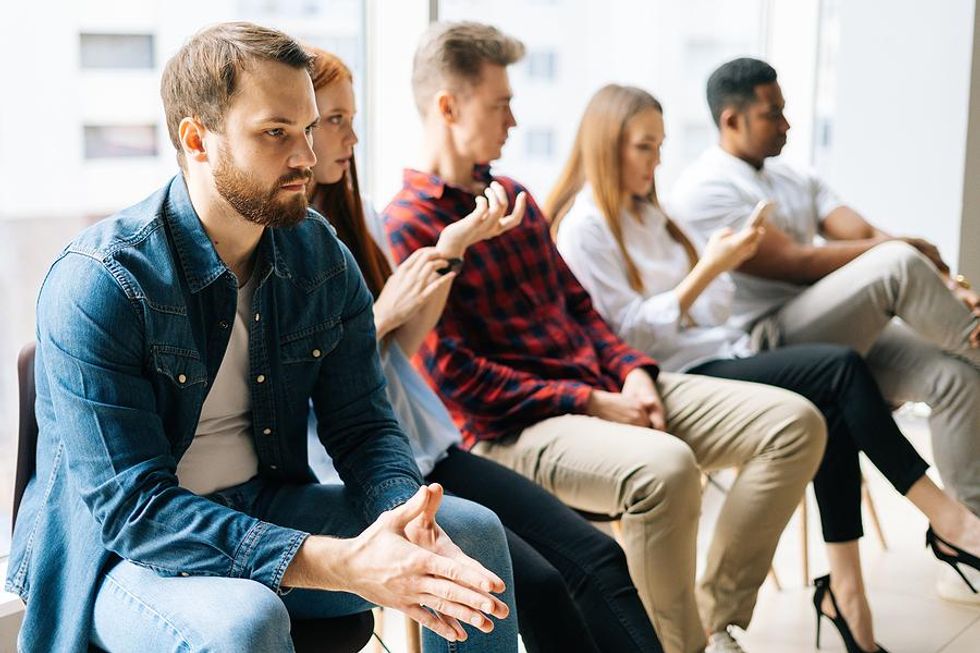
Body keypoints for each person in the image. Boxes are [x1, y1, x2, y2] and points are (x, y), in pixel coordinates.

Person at [4, 22, 517, 653]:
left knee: (471, 537)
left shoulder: (317, 255)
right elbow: (136, 511)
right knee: (246, 621)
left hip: (263, 504)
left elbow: (363, 427)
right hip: (119, 558)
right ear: (197, 139)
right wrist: (336, 562)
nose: (305, 155)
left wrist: (408, 519)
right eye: (275, 133)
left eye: (306, 130)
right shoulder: (100, 282)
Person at [383, 21, 828, 653]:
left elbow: (581, 309)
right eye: (500, 103)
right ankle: (683, 645)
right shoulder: (409, 226)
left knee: (797, 423)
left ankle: (712, 617)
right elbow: (455, 379)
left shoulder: (512, 196)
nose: (513, 120)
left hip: (602, 387)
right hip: (515, 428)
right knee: (667, 469)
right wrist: (588, 401)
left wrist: (632, 372)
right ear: (448, 107)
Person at [548, 83, 980, 653]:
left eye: (660, 146)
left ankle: (849, 596)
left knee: (830, 400)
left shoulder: (657, 213)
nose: (656, 162)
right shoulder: (587, 228)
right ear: (607, 147)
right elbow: (624, 335)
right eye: (644, 148)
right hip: (676, 373)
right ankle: (948, 524)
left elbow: (713, 308)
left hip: (721, 352)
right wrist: (705, 270)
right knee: (842, 370)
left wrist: (715, 270)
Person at [303, 46, 663, 653]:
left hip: (425, 446)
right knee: (539, 587)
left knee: (596, 555)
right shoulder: (306, 243)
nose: (352, 137)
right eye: (335, 121)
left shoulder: (357, 218)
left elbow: (401, 353)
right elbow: (324, 383)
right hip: (360, 466)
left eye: (351, 119)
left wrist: (450, 253)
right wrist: (385, 312)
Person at [667, 58, 980, 602]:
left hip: (836, 331)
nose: (786, 123)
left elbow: (858, 232)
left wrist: (948, 285)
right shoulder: (704, 188)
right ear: (731, 120)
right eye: (774, 113)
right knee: (897, 262)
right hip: (770, 343)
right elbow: (795, 263)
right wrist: (906, 252)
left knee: (953, 377)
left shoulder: (791, 174)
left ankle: (967, 542)